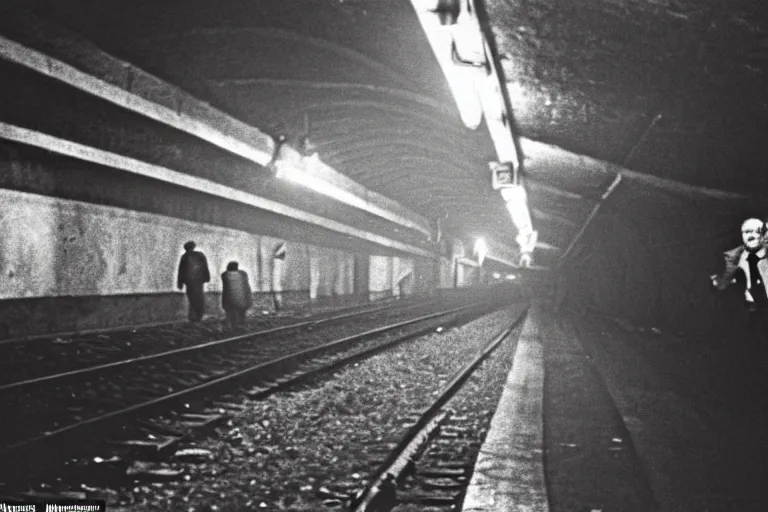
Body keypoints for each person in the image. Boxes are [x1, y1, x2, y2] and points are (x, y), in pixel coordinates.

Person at [711, 218, 768, 342]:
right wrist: (719, 282)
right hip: (753, 308)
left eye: (757, 232)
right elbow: (724, 281)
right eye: (747, 232)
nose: (752, 236)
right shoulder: (734, 257)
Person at [177, 241, 210, 322]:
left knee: (192, 298)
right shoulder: (200, 255)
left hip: (189, 281)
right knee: (199, 298)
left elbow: (181, 270)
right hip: (199, 281)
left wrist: (180, 283)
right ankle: (199, 315)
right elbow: (205, 266)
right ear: (193, 247)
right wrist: (207, 278)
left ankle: (192, 316)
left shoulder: (184, 256)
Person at [221, 261, 252, 329]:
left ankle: (232, 325)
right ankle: (240, 323)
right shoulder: (243, 274)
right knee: (241, 311)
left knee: (231, 312)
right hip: (243, 301)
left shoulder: (224, 275)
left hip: (229, 302)